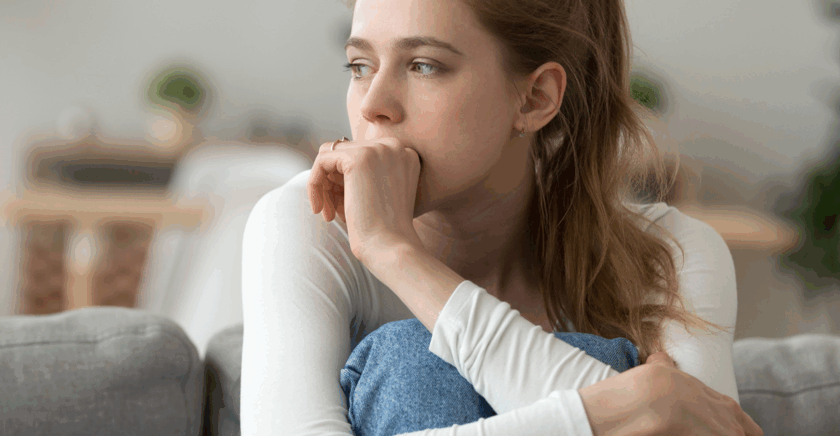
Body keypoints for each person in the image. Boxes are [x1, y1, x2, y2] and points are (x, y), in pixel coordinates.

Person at [240, 0, 765, 434]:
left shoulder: (672, 252)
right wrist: (617, 408)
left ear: (535, 98)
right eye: (360, 66)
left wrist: (400, 257)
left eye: (423, 65)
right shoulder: (308, 221)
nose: (373, 105)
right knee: (409, 362)